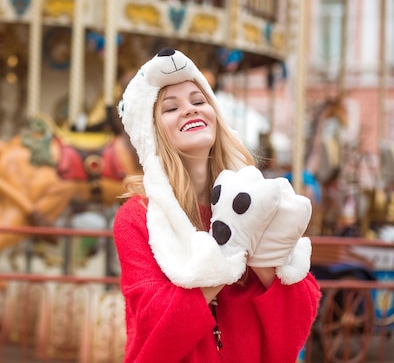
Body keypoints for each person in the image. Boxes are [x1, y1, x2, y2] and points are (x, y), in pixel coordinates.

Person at [113, 48, 321, 363]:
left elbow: (299, 310)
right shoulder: (137, 218)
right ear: (152, 133)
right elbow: (154, 329)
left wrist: (262, 253)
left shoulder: (255, 197)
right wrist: (232, 248)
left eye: (199, 101)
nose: (189, 110)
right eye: (171, 107)